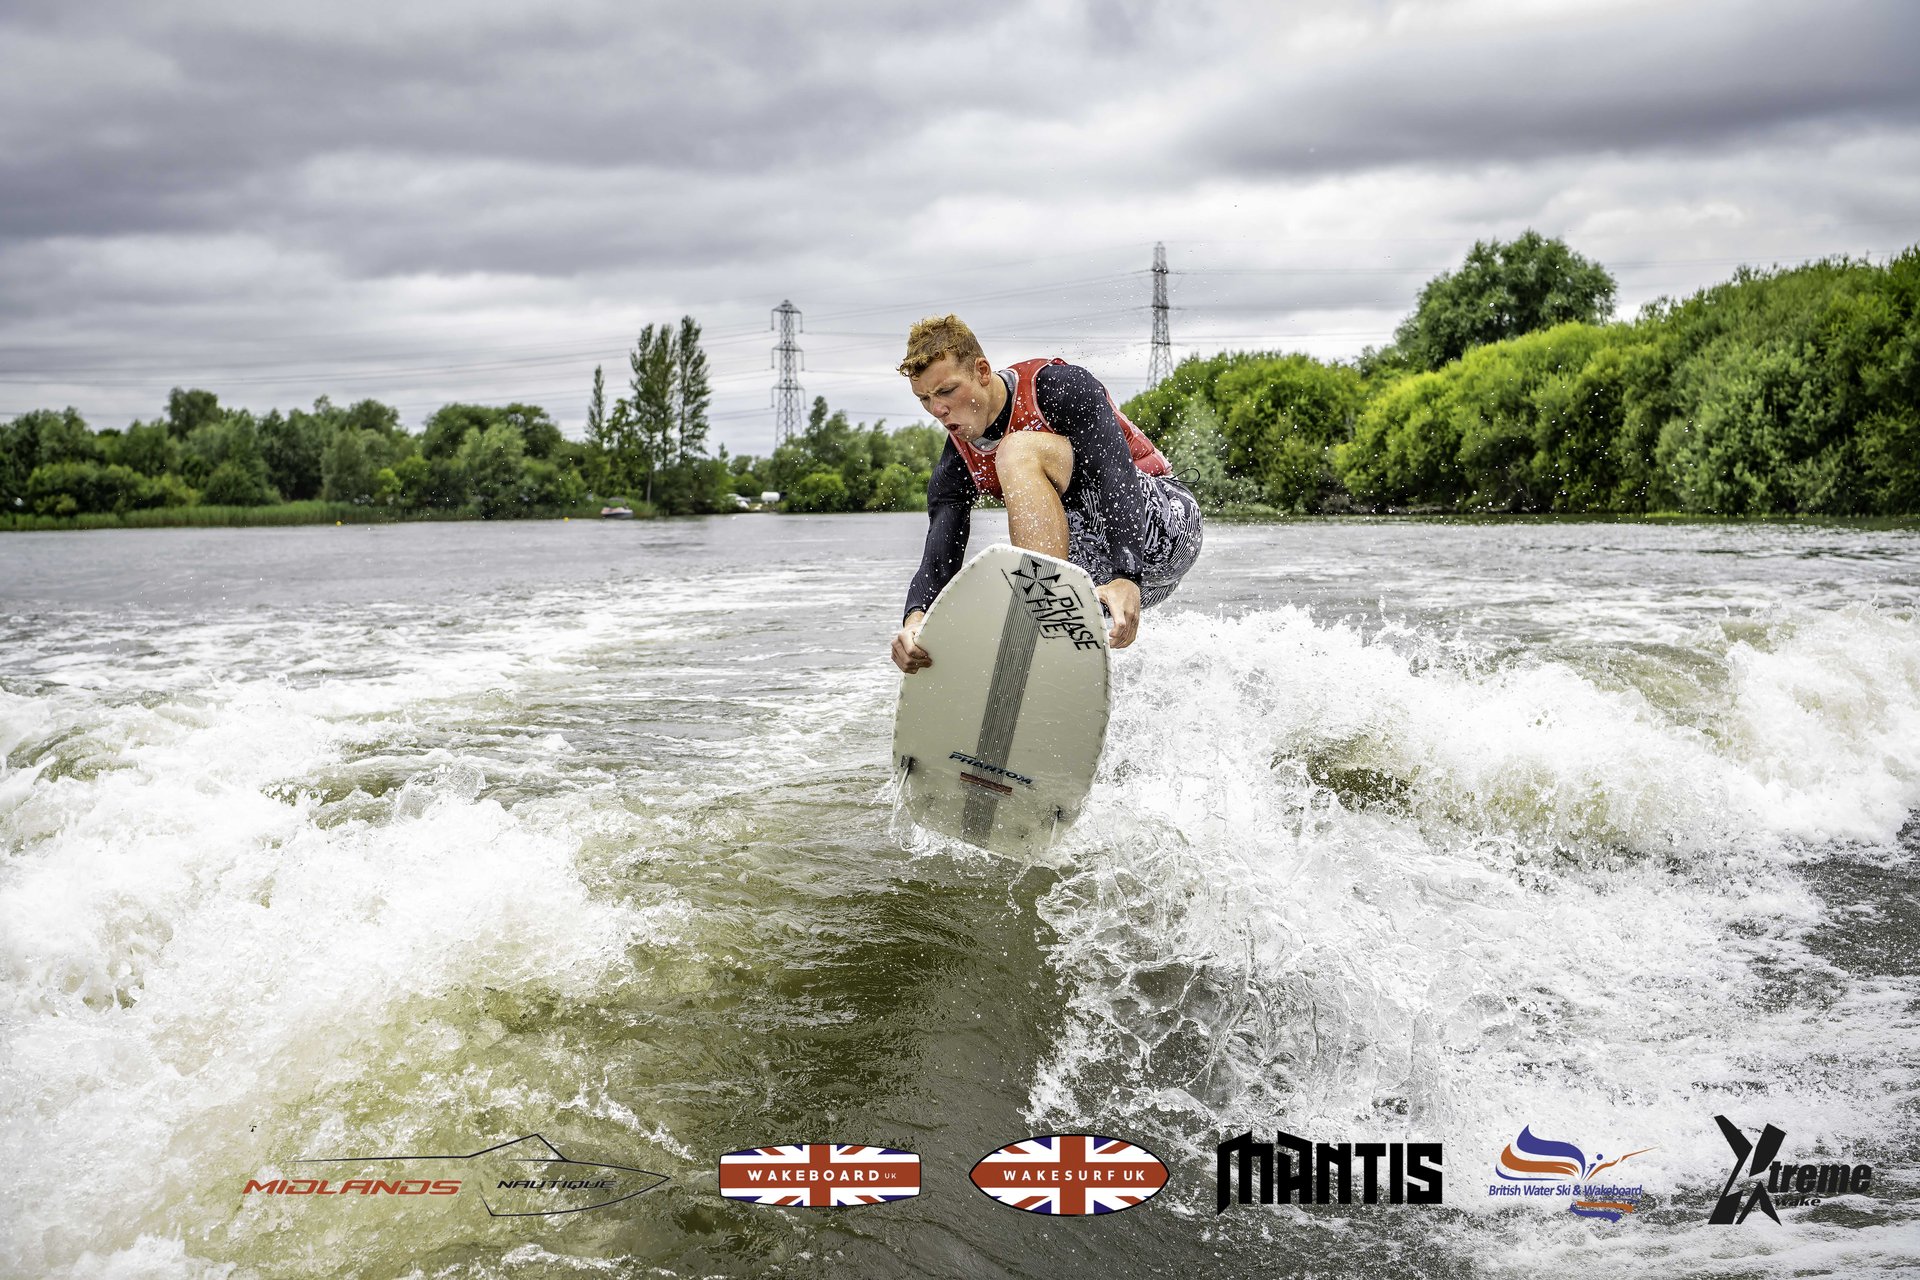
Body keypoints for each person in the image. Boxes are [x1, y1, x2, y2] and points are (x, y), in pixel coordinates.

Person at [889, 314, 1203, 675]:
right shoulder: (956, 463)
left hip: (1161, 527)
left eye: (946, 391)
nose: (938, 410)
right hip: (1116, 579)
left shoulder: (1057, 387)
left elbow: (1117, 474)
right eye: (924, 398)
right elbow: (939, 558)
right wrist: (916, 620)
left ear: (982, 371)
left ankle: (1038, 622)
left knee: (1016, 450)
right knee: (991, 597)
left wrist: (1126, 576)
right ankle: (1049, 654)